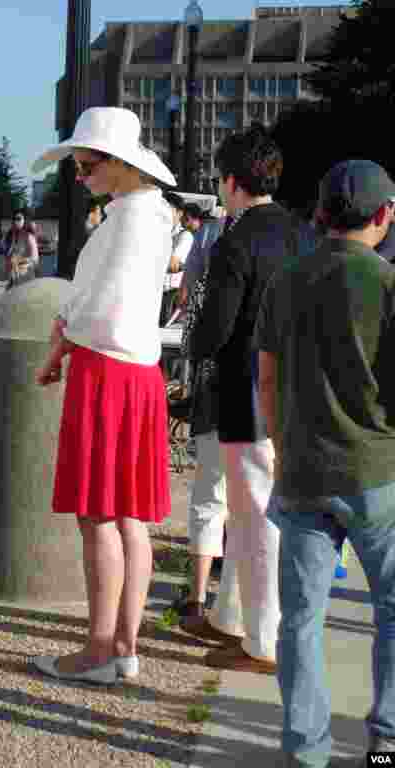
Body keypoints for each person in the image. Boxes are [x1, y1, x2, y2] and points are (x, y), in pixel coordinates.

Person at [255, 160, 395, 767]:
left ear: (321, 214)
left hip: (303, 470)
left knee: (302, 618)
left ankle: (305, 752)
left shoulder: (286, 279)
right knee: (391, 607)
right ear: (385, 216)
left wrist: (283, 448)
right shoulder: (385, 282)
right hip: (375, 471)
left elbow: (266, 379)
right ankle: (386, 740)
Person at [31, 106, 176, 684]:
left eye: (86, 163)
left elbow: (94, 308)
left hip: (107, 371)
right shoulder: (152, 215)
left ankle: (98, 648)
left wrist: (59, 344)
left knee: (98, 516)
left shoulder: (126, 222)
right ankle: (124, 645)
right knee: (129, 517)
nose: (79, 173)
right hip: (137, 371)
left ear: (118, 162)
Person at [183, 124, 304, 675]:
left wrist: (193, 345)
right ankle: (234, 619)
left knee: (253, 518)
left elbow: (214, 332)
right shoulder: (302, 232)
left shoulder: (236, 240)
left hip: (245, 393)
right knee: (253, 512)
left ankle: (263, 641)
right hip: (294, 392)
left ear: (231, 182)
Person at [173, 207, 232, 623]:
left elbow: (193, 344)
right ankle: (235, 608)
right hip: (259, 400)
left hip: (214, 394)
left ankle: (196, 597)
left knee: (209, 496)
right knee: (252, 505)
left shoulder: (208, 239)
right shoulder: (285, 238)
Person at [161, 192, 195, 327]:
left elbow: (172, 265)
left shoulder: (184, 236)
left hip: (169, 296)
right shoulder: (159, 233)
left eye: (168, 209)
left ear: (180, 213)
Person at [4, 211, 39, 287]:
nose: (15, 221)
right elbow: (8, 254)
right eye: (14, 219)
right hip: (13, 274)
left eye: (18, 219)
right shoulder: (11, 235)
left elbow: (35, 258)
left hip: (26, 273)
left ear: (25, 220)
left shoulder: (29, 236)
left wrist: (19, 260)